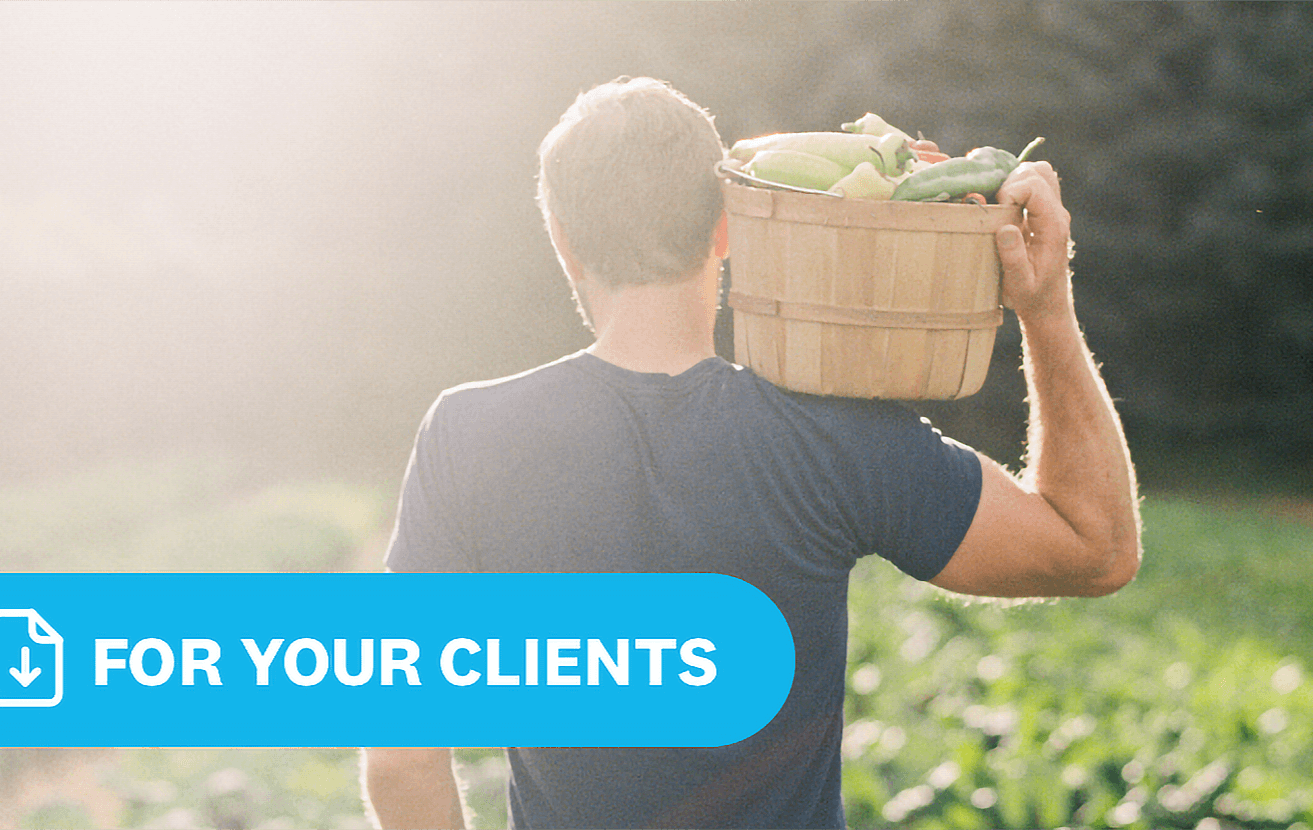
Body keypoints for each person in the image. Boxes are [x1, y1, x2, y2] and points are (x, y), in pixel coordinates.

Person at [361, 76, 1141, 830]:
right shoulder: (834, 435)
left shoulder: (468, 434)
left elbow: (400, 759)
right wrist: (1045, 307)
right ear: (726, 229)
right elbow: (1093, 548)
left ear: (563, 240)